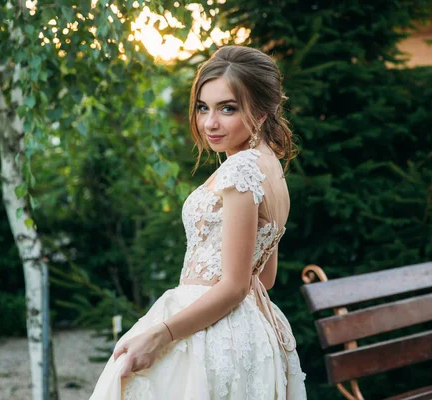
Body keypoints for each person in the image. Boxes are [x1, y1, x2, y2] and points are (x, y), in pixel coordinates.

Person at [90, 45, 307, 399]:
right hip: (249, 328)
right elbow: (263, 277)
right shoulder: (274, 173)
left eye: (228, 108)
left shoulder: (240, 169)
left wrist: (160, 333)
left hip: (209, 329)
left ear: (264, 111)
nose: (210, 123)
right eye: (203, 107)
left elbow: (236, 285)